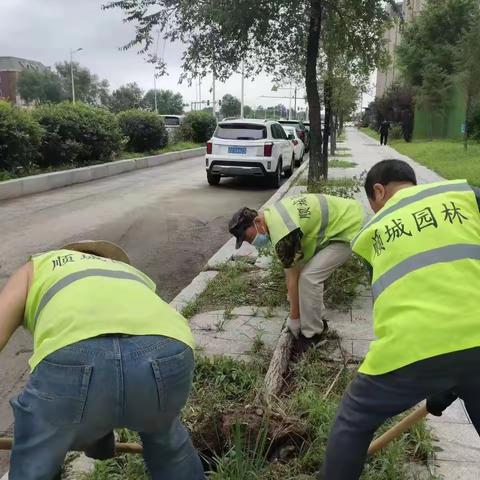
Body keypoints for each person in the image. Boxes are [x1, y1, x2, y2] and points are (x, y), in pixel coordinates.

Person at [322, 159, 480, 479]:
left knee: (355, 417)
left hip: (413, 345)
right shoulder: (465, 195)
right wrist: (453, 380)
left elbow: (397, 307)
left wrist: (440, 375)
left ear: (379, 191)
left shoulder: (371, 235)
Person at [0, 241, 205, 480]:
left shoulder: (38, 265)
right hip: (167, 349)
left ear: (69, 253)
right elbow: (119, 374)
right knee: (169, 445)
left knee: (35, 460)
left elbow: (101, 376)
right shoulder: (129, 273)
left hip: (73, 354)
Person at [229, 194, 365, 351]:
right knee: (307, 275)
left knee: (309, 278)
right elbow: (294, 270)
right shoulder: (272, 214)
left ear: (257, 222)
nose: (251, 243)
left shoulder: (282, 233)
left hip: (350, 229)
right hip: (348, 217)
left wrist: (294, 317)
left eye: (248, 237)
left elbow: (293, 277)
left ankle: (313, 336)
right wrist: (295, 308)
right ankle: (317, 320)